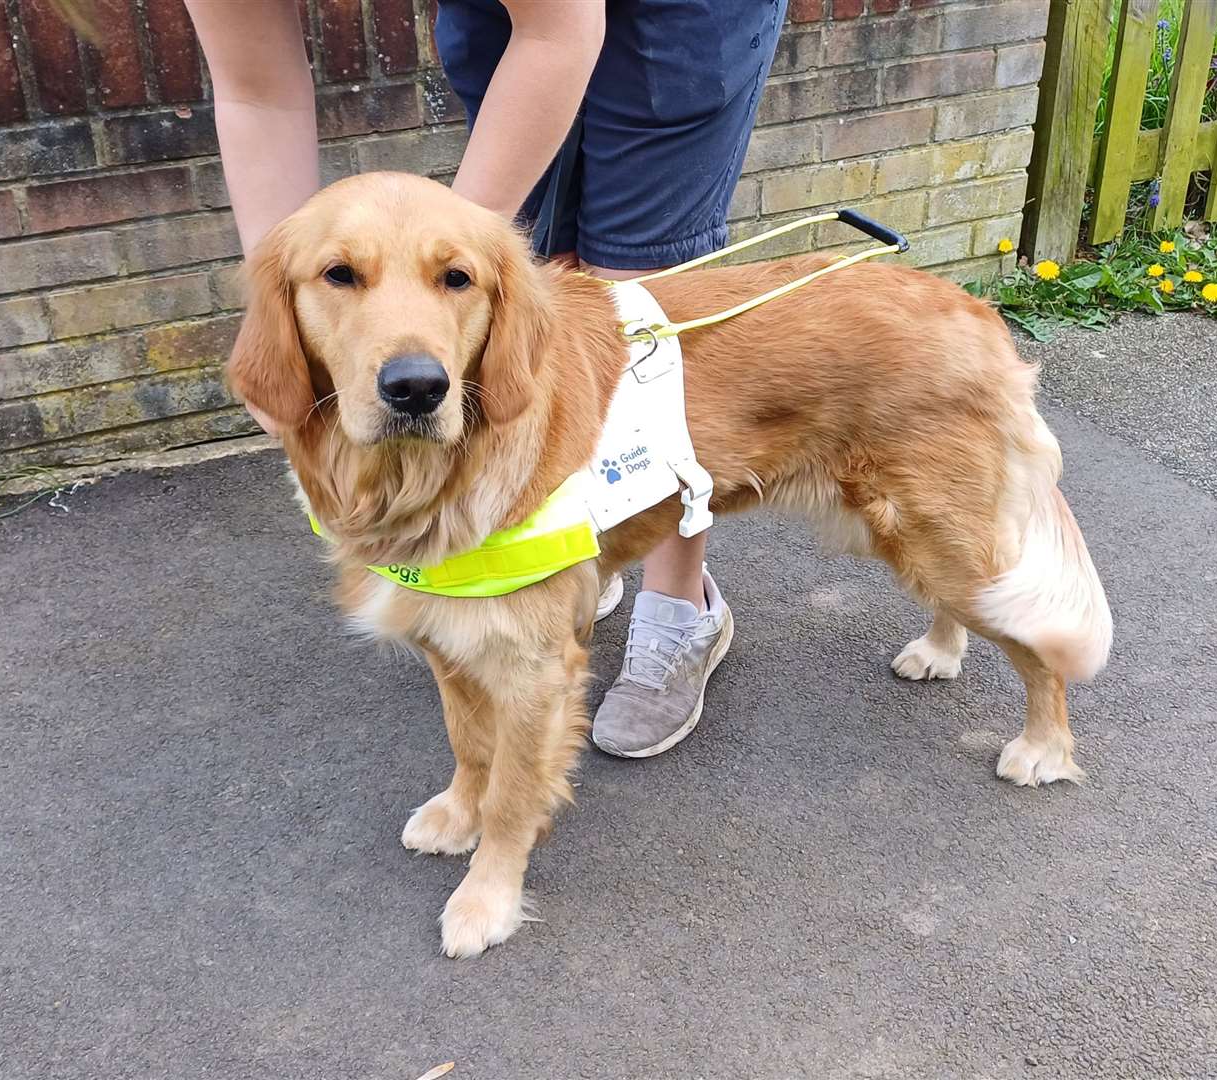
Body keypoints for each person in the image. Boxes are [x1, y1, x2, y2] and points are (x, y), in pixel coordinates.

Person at [179, 0, 783, 757]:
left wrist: (467, 264)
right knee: (539, 268)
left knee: (630, 309)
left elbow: (560, 32)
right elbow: (255, 88)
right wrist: (281, 320)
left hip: (677, 17)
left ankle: (680, 602)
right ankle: (571, 561)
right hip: (511, 19)